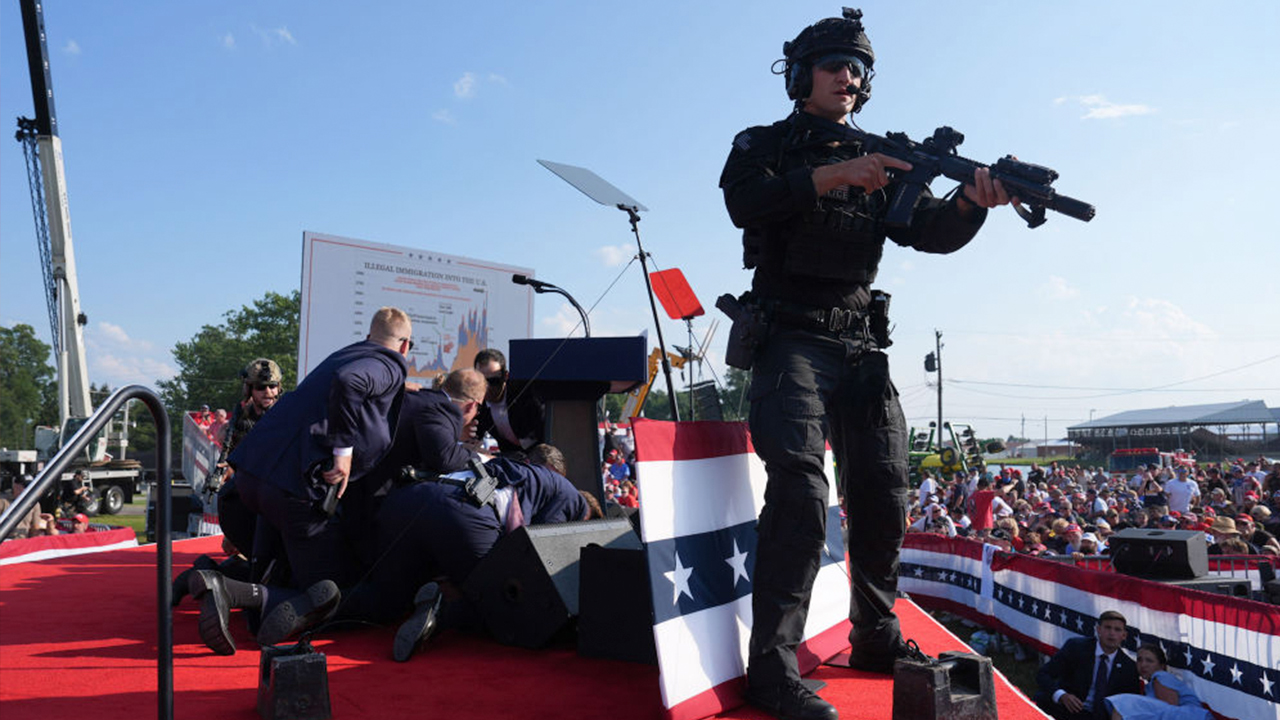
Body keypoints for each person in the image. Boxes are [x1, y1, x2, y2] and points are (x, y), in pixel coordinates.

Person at [718, 9, 1015, 720]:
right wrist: (834, 174)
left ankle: (877, 637)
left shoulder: (883, 154)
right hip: (789, 335)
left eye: (856, 70)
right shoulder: (764, 144)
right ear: (800, 76)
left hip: (860, 346)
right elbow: (743, 202)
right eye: (833, 66)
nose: (847, 78)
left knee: (884, 488)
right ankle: (773, 669)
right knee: (798, 492)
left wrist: (972, 205)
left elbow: (924, 233)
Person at [193, 307, 412, 654]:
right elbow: (351, 382)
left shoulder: (346, 354)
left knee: (278, 571)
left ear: (370, 336)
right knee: (330, 595)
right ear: (405, 346)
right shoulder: (389, 364)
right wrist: (344, 450)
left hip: (256, 478)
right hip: (294, 489)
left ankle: (216, 579)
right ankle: (229, 590)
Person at [1035, 610, 1142, 719]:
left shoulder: (1130, 667)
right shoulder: (1076, 647)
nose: (1112, 633)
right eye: (1107, 628)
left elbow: (1131, 703)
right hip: (1066, 709)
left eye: (1117, 630)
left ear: (1124, 635)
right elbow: (1043, 674)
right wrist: (1061, 695)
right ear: (1098, 630)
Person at [1105, 644, 1212, 720]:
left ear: (1162, 666)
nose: (1143, 665)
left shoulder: (1161, 676)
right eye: (1139, 660)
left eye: (1149, 661)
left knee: (1123, 702)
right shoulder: (1151, 684)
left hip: (1191, 716)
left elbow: (1170, 709)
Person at [472, 348, 545, 454]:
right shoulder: (476, 404)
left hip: (540, 454)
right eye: (480, 381)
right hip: (510, 456)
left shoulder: (526, 395)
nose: (486, 387)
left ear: (505, 376)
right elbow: (473, 437)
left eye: (493, 381)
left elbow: (545, 428)